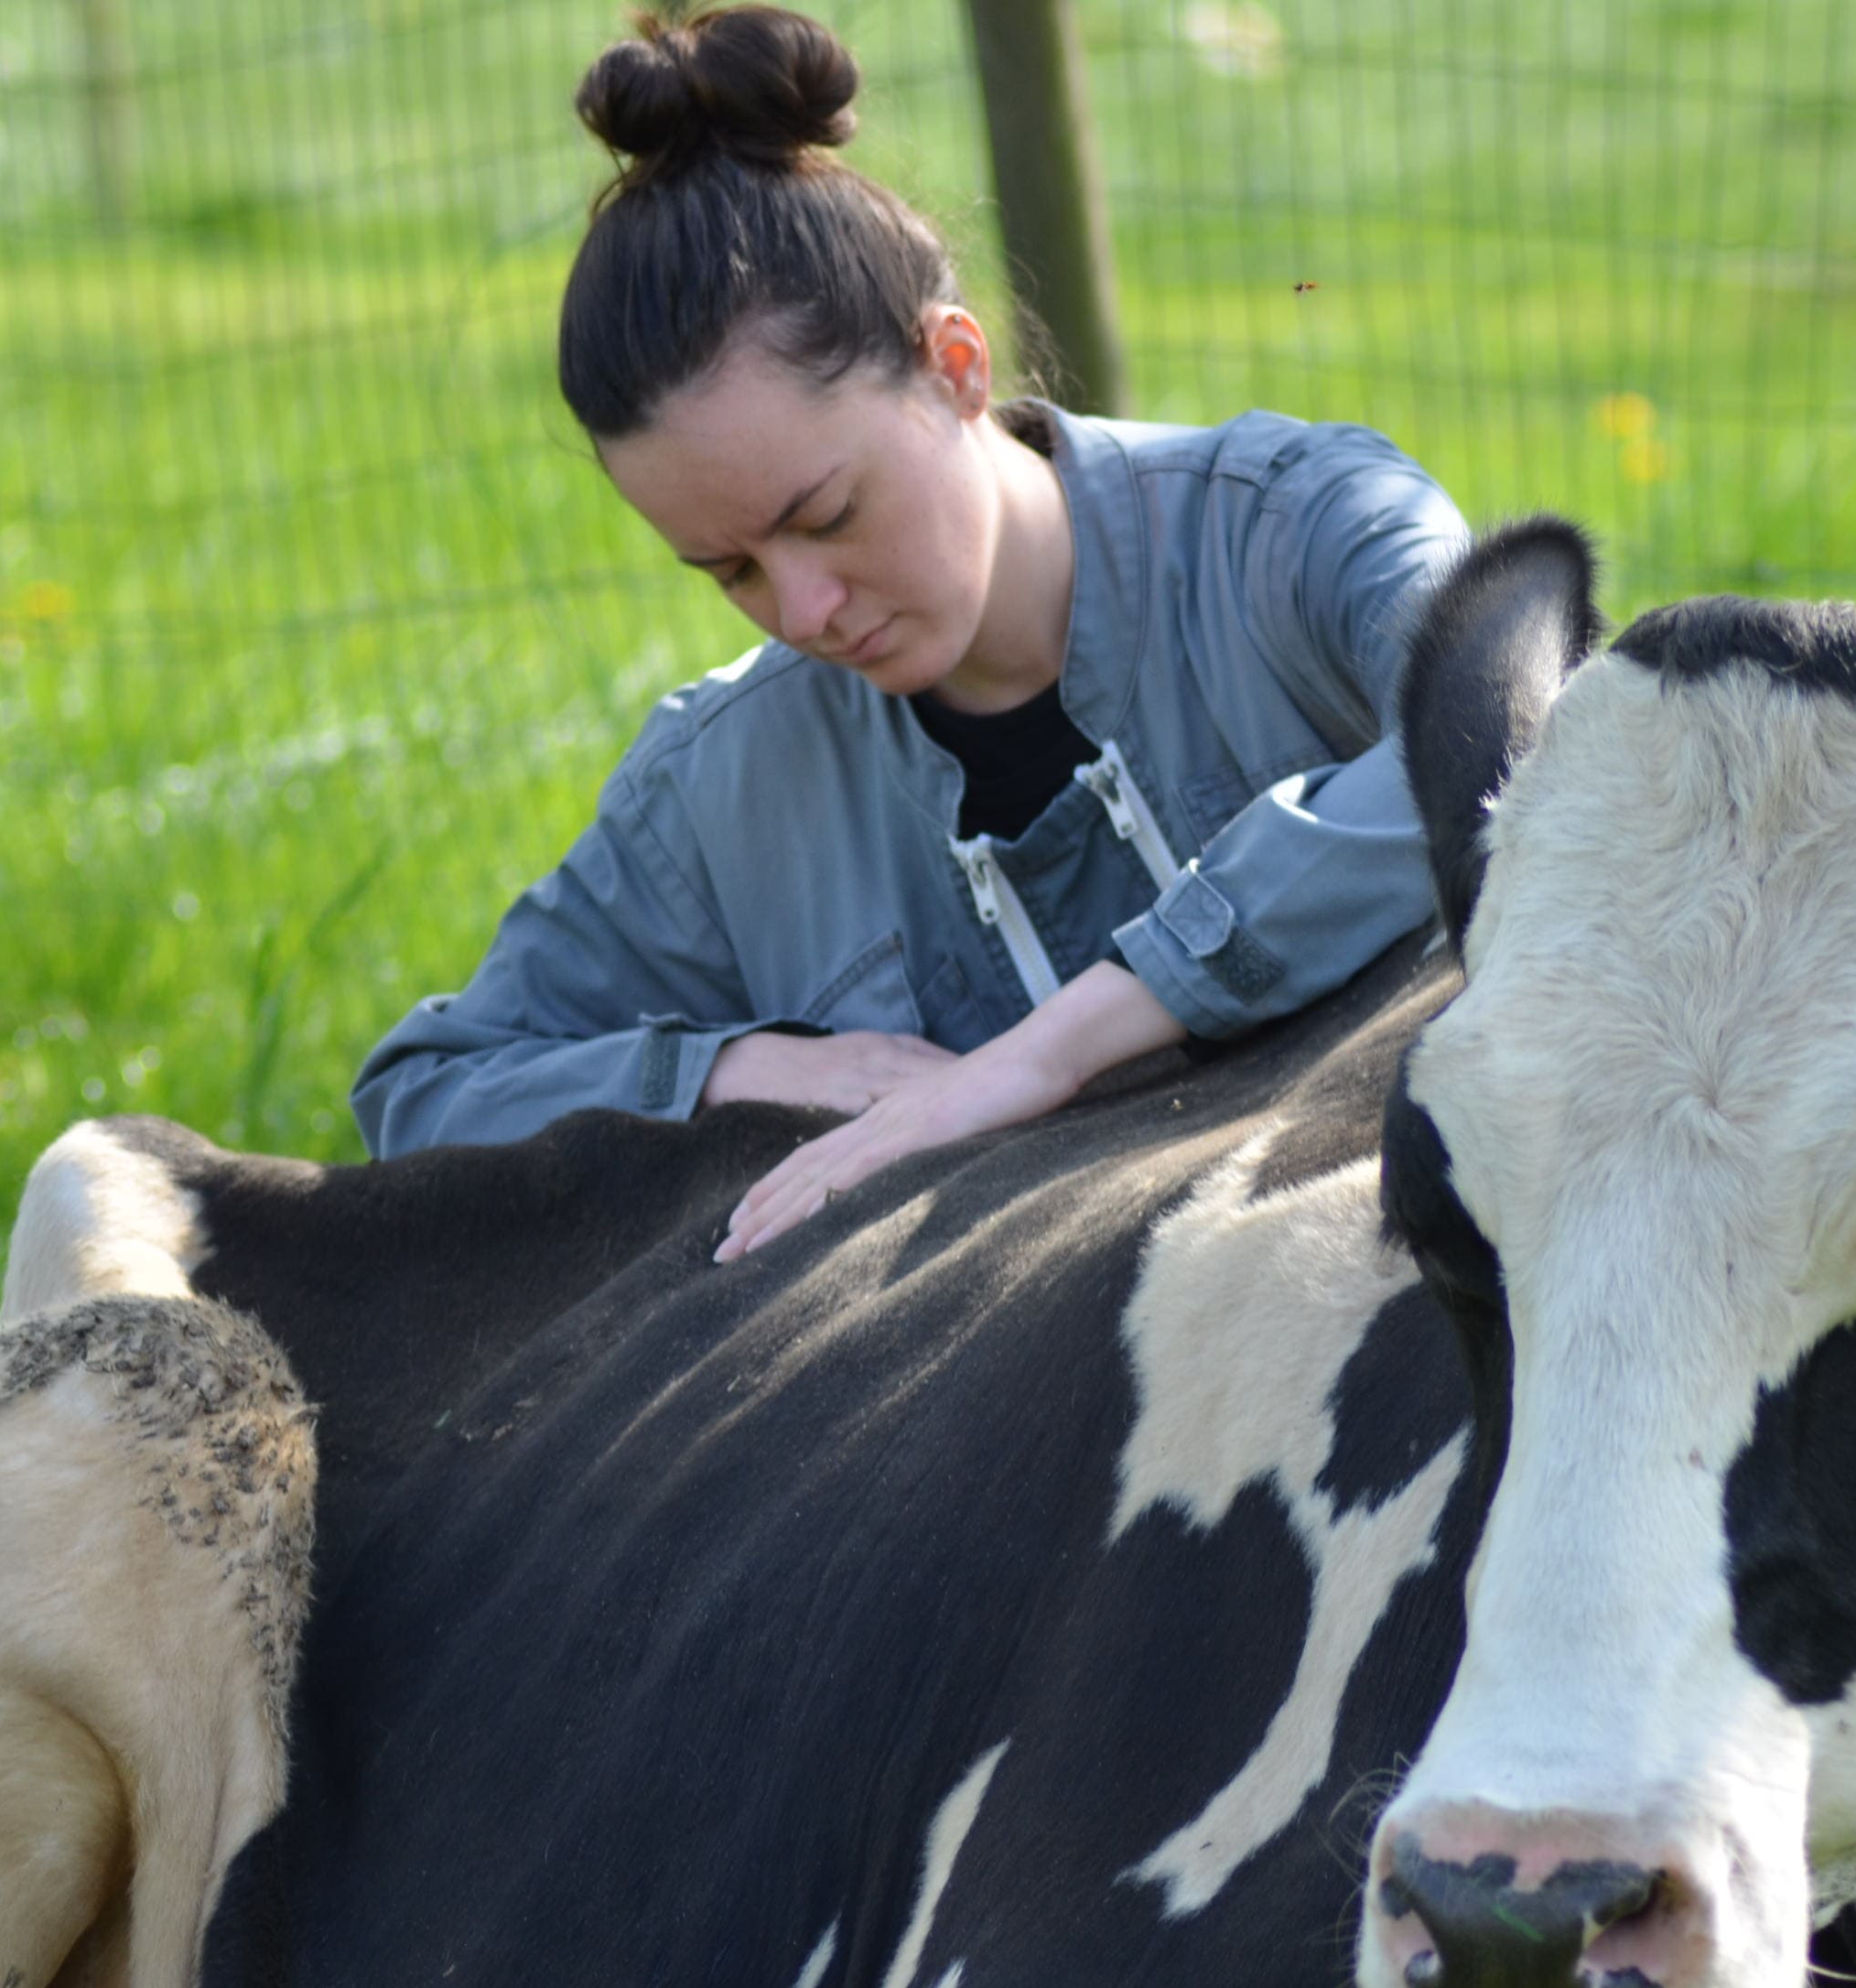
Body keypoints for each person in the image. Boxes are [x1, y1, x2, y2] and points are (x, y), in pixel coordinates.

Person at [351, 4, 1469, 1261]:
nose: (805, 611)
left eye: (827, 515)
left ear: (955, 366)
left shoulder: (1299, 530)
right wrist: (741, 1068)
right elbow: (425, 1092)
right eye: (728, 572)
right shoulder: (724, 789)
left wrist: (1044, 1055)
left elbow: (1510, 733)